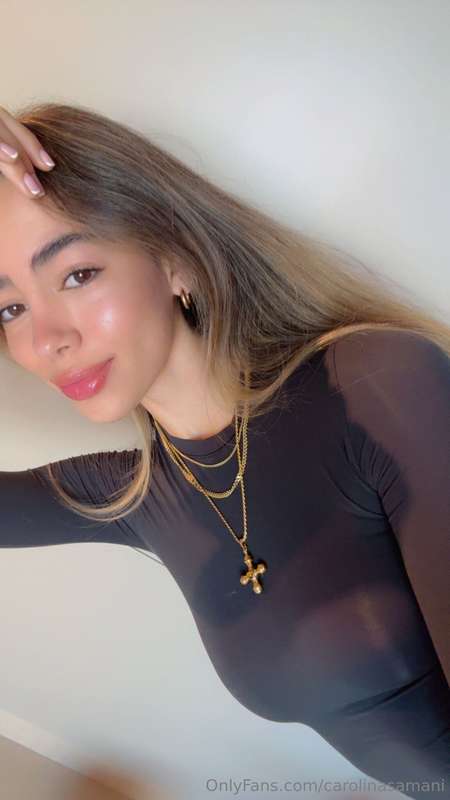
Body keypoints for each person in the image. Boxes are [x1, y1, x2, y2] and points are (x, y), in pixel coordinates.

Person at [0, 103, 449, 800]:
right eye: (9, 308)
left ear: (175, 260)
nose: (46, 340)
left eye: (78, 274)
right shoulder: (133, 495)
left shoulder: (374, 384)